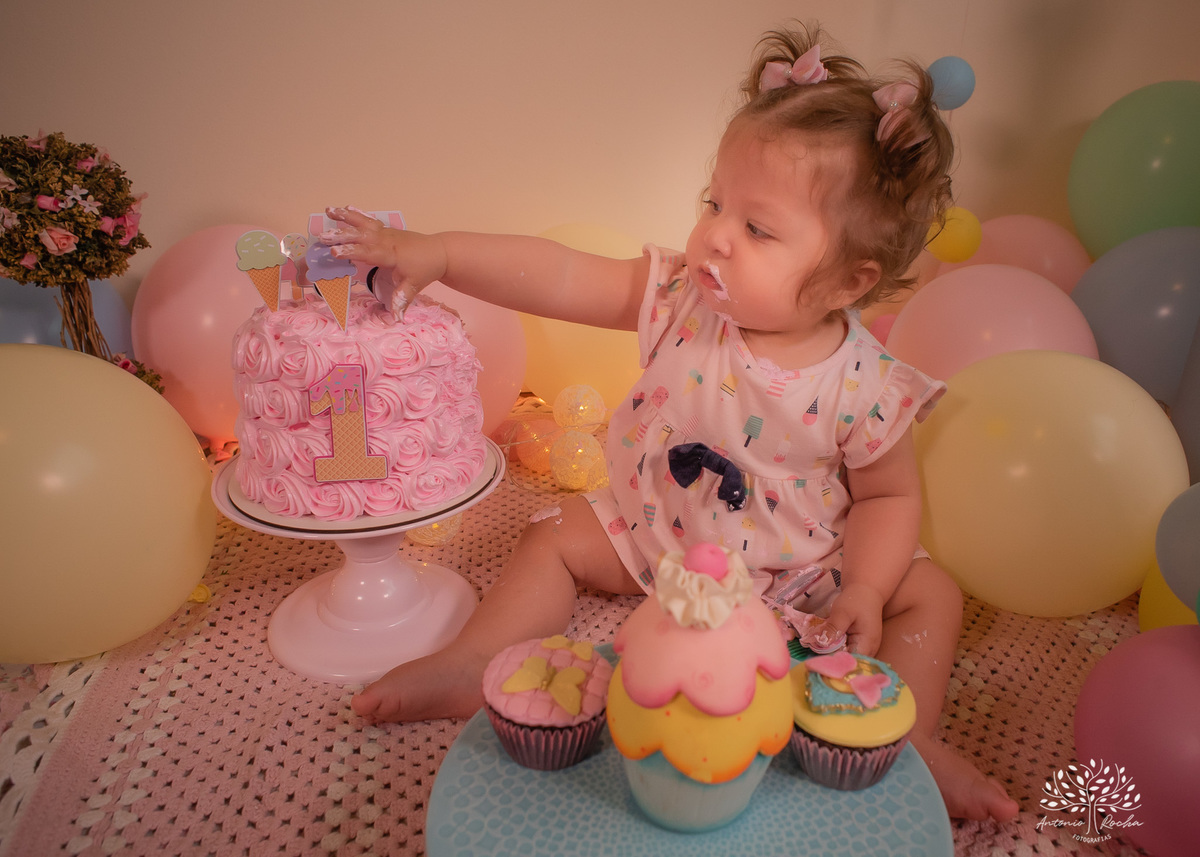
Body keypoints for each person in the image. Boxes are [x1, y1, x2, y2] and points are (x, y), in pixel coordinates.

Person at [320, 23, 1020, 822]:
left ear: (846, 280)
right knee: (551, 533)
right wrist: (441, 251)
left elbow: (891, 499)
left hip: (800, 572)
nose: (716, 233)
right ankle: (474, 657)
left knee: (929, 591)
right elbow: (560, 272)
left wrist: (863, 585)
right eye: (715, 202)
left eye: (757, 228)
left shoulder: (864, 382)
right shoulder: (683, 295)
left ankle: (905, 730)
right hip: (657, 532)